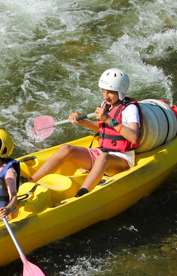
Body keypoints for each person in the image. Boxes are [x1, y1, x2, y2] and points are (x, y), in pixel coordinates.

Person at [30, 68, 141, 197]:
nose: (105, 96)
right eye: (103, 91)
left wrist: (108, 119)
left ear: (121, 91)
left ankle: (82, 194)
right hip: (102, 152)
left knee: (103, 158)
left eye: (110, 92)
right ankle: (30, 180)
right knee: (67, 149)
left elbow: (134, 137)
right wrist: (83, 122)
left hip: (122, 159)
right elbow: (102, 128)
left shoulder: (130, 109)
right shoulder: (106, 104)